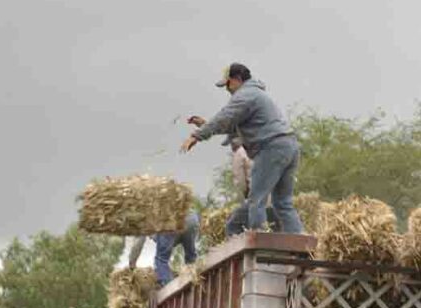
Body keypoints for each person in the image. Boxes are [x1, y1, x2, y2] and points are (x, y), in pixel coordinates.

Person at [181, 63, 304, 235]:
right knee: (283, 203)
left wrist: (197, 136)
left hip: (271, 148)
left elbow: (225, 118)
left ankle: (259, 240)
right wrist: (205, 125)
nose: (227, 89)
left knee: (256, 199)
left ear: (237, 79)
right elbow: (232, 125)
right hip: (289, 145)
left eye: (228, 84)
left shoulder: (245, 94)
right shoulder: (257, 94)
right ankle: (300, 241)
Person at [128, 212, 200, 286]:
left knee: (161, 260)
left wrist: (132, 264)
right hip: (192, 218)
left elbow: (137, 243)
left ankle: (170, 287)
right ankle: (194, 280)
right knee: (190, 256)